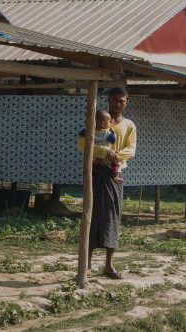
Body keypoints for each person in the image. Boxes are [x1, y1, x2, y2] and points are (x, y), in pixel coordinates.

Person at [78, 87, 136, 279]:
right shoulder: (95, 121)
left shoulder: (129, 126)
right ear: (108, 100)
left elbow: (131, 150)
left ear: (127, 101)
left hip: (115, 175)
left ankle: (109, 265)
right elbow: (83, 144)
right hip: (94, 172)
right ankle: (86, 265)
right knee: (91, 215)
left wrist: (113, 157)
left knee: (112, 216)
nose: (117, 104)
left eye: (121, 100)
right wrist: (102, 154)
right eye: (114, 100)